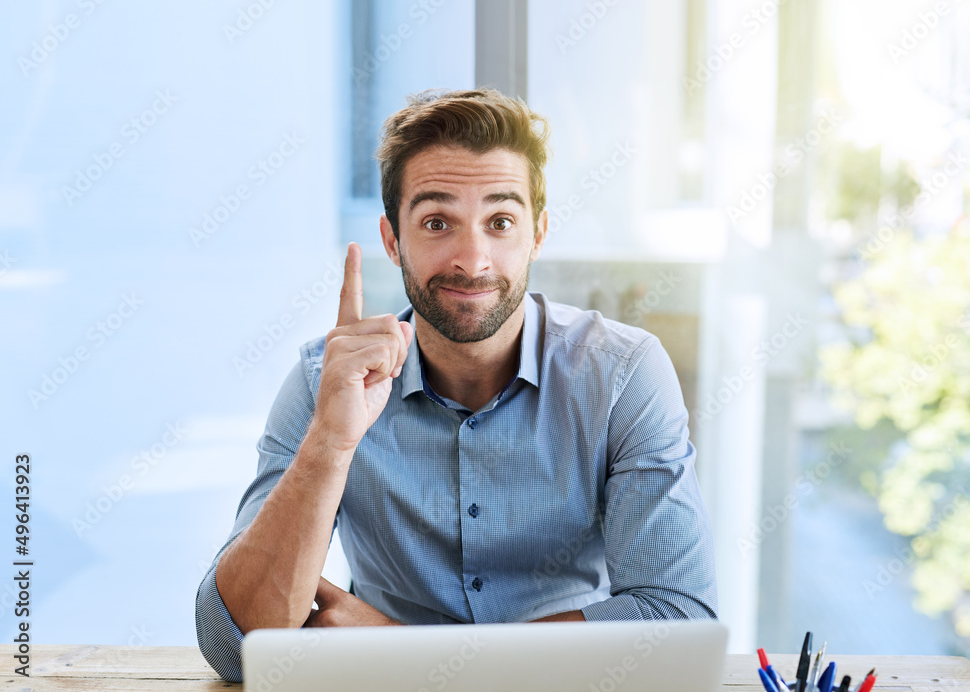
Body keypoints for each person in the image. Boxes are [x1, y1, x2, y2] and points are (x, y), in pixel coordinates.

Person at [196, 87, 717, 682]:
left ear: (537, 234)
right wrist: (331, 443)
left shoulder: (624, 373)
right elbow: (232, 649)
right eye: (438, 222)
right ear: (393, 240)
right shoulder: (326, 381)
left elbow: (676, 620)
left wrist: (408, 656)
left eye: (500, 222)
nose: (472, 259)